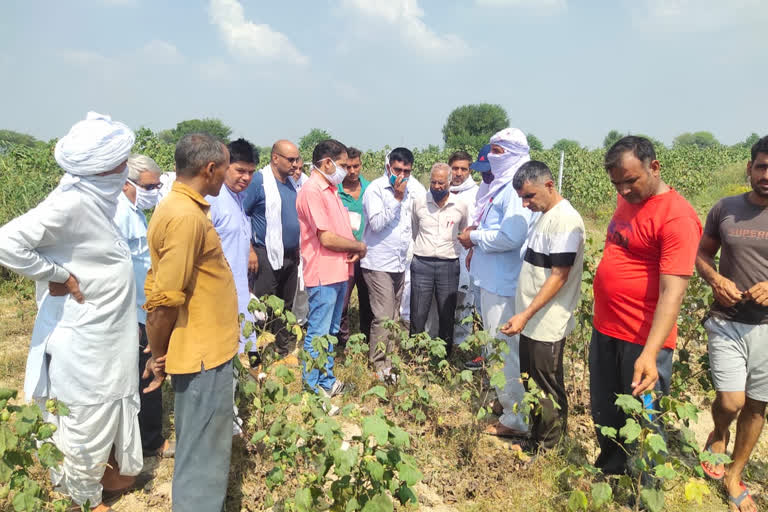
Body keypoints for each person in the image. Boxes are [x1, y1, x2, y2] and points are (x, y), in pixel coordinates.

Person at [0, 112, 142, 511]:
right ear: (104, 168)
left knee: (106, 409)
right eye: (121, 162)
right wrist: (56, 274)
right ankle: (81, 498)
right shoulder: (73, 202)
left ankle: (102, 480)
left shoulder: (98, 199)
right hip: (84, 341)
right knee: (85, 416)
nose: (125, 168)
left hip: (106, 336)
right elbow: (7, 242)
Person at [590, 136, 701, 476]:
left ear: (654, 167)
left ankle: (646, 490)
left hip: (643, 338)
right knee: (606, 412)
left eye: (630, 181)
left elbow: (673, 293)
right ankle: (612, 474)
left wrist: (650, 354)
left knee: (644, 421)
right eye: (616, 184)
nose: (622, 191)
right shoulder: (629, 200)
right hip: (606, 328)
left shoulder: (676, 216)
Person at [143, 133, 239, 511]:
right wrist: (159, 354)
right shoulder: (184, 216)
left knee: (201, 445)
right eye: (227, 165)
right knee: (202, 454)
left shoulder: (182, 208)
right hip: (201, 354)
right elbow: (164, 300)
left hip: (206, 347)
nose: (228, 174)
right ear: (210, 168)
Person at [696, 135, 768, 511]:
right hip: (726, 320)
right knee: (731, 400)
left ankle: (734, 475)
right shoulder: (725, 208)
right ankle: (719, 431)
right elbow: (702, 253)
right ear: (750, 168)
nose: (767, 175)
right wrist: (714, 279)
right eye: (762, 166)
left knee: (757, 406)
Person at [500, 160, 584, 452]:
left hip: (546, 320)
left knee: (546, 387)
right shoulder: (545, 215)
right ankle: (536, 438)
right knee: (530, 382)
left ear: (549, 185)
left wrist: (525, 314)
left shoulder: (565, 220)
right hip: (532, 319)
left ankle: (551, 447)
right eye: (522, 197)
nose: (525, 204)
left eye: (529, 196)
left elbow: (559, 276)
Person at [457, 128, 537, 437]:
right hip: (491, 279)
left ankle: (516, 418)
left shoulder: (517, 188)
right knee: (495, 346)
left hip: (503, 283)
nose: (491, 158)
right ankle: (507, 404)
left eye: (498, 152)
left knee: (503, 349)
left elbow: (511, 236)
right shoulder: (502, 186)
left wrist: (473, 237)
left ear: (514, 154)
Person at [113, 153, 173, 459]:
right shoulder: (118, 215)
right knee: (147, 373)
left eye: (158, 185)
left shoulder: (134, 212)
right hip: (132, 313)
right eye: (149, 186)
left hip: (142, 309)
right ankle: (151, 441)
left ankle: (143, 437)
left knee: (143, 373)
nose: (154, 191)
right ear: (126, 184)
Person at [296, 139, 366, 395]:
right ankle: (313, 388)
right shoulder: (312, 191)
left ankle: (326, 380)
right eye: (342, 165)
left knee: (331, 331)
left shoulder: (331, 189)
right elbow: (325, 237)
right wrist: (358, 247)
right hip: (323, 272)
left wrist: (352, 248)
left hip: (339, 270)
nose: (347, 171)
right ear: (327, 163)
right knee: (318, 332)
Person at [205, 138, 259, 437]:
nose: (245, 178)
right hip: (217, 298)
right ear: (224, 166)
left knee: (240, 354)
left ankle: (232, 413)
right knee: (222, 361)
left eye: (251, 172)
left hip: (238, 293)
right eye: (240, 170)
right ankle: (224, 420)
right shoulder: (213, 201)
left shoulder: (237, 199)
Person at [361, 147, 422, 381]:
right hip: (377, 262)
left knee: (394, 315)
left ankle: (388, 358)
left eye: (406, 171)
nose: (402, 175)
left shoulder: (411, 190)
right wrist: (396, 198)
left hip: (398, 263)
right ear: (389, 167)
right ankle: (379, 365)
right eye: (398, 170)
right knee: (384, 316)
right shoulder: (376, 190)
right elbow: (376, 224)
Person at [242, 140, 302, 364]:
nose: (296, 164)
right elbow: (243, 214)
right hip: (265, 253)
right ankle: (257, 353)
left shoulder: (290, 183)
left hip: (289, 254)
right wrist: (249, 250)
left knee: (286, 304)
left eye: (297, 159)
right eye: (291, 159)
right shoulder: (259, 181)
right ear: (275, 158)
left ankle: (283, 349)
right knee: (265, 306)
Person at [410, 163, 468, 355]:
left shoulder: (460, 205)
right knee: (418, 312)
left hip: (449, 265)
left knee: (446, 313)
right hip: (422, 264)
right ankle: (416, 356)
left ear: (450, 182)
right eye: (433, 182)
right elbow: (414, 229)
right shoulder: (419, 202)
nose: (436, 186)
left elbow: (465, 230)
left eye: (441, 183)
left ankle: (443, 357)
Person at [337, 146, 373, 349]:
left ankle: (367, 340)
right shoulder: (335, 191)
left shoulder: (371, 189)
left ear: (361, 165)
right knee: (342, 301)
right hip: (344, 255)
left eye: (356, 166)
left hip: (367, 254)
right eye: (347, 167)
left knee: (367, 300)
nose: (352, 171)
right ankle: (343, 342)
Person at [449, 150, 479, 345]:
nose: (458, 173)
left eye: (463, 169)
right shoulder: (440, 187)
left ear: (470, 171)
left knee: (464, 299)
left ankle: (460, 342)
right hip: (443, 252)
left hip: (466, 252)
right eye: (455, 168)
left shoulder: (475, 193)